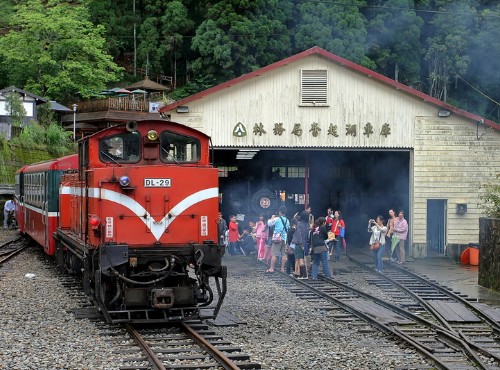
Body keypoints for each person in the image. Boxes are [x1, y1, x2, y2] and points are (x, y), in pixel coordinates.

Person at [265, 206, 290, 273]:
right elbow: (288, 228)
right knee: (284, 254)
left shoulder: (276, 219)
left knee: (274, 254)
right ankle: (282, 268)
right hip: (284, 238)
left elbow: (269, 223)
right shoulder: (287, 220)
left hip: (277, 238)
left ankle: (271, 268)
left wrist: (272, 218)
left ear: (279, 212)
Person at [292, 211, 309, 279]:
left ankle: (304, 275)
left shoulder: (299, 224)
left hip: (299, 243)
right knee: (302, 258)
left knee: (300, 259)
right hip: (305, 242)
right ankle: (302, 275)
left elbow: (299, 235)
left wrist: (301, 244)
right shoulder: (307, 224)